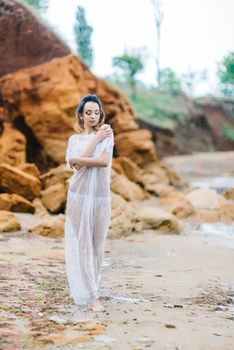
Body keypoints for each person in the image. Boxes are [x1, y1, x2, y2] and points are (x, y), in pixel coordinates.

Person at [64, 94, 114, 312]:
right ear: (81, 116)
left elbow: (103, 162)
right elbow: (77, 168)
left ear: (100, 114)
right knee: (83, 246)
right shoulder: (74, 140)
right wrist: (93, 141)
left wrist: (77, 159)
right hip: (78, 196)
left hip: (101, 198)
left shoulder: (108, 134)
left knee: (97, 246)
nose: (93, 116)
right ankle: (93, 296)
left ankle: (89, 286)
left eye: (96, 112)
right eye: (88, 113)